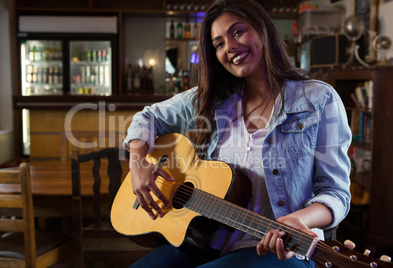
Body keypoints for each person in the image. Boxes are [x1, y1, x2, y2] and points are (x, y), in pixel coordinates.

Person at [123, 0, 351, 266]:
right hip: (206, 241)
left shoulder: (318, 99)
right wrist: (138, 165)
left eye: (238, 32)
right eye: (219, 44)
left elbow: (336, 194)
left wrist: (299, 220)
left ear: (263, 30)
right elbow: (147, 117)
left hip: (281, 252)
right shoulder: (214, 99)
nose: (229, 46)